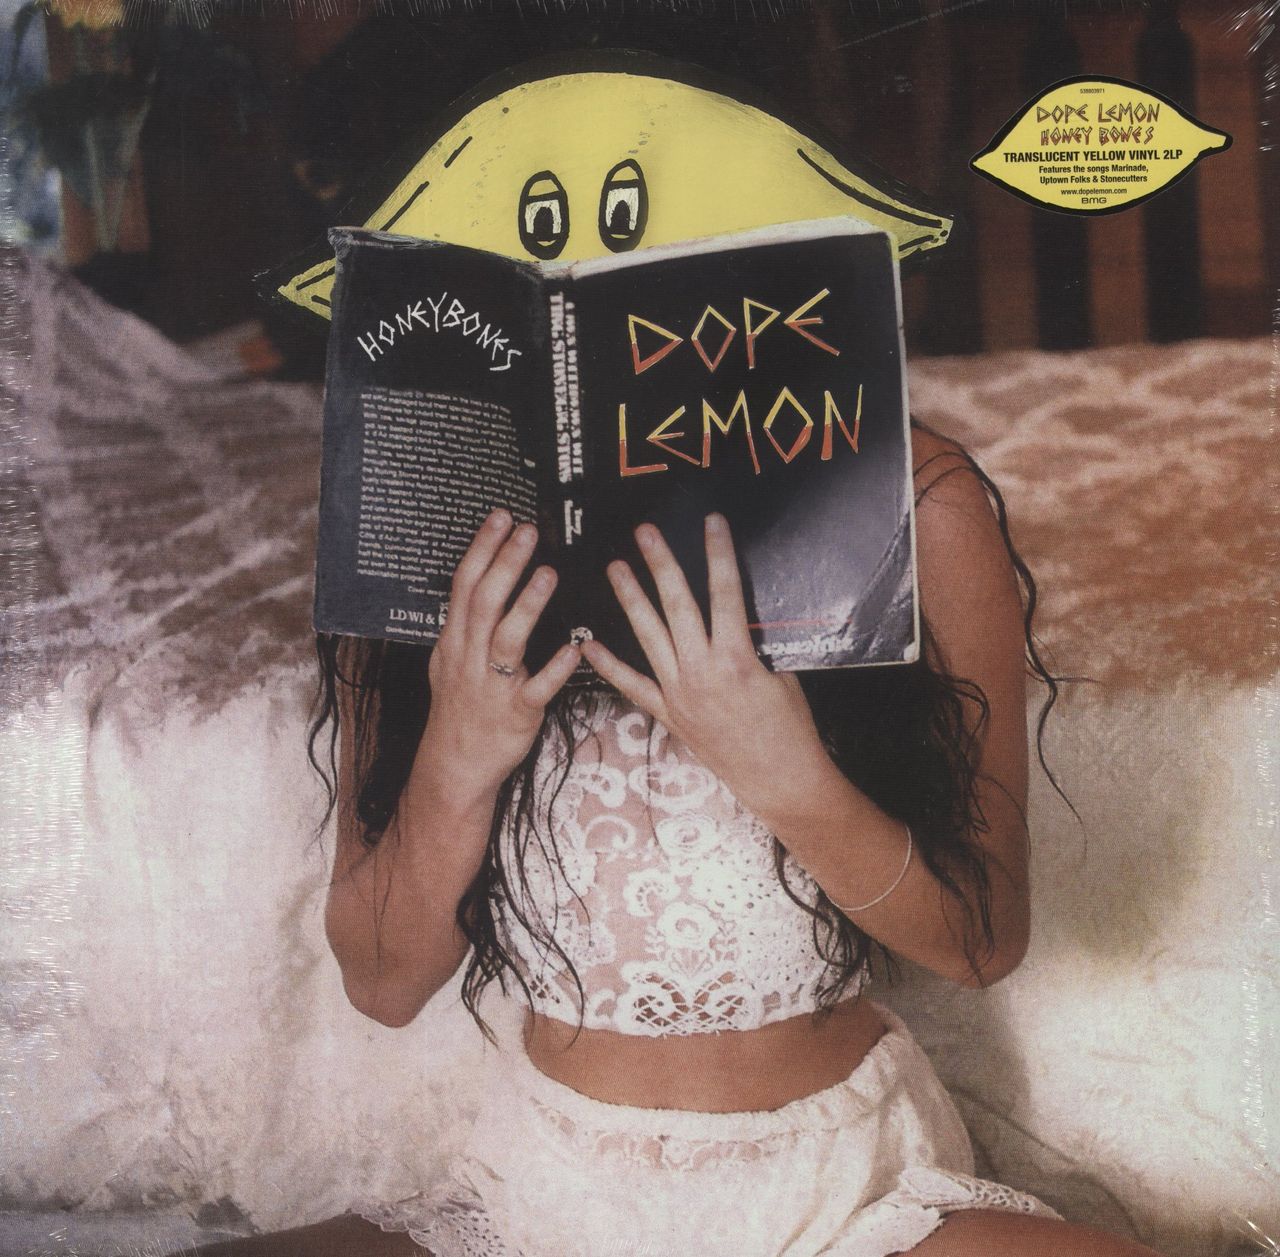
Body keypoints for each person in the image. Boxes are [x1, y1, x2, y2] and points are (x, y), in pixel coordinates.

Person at [184, 422, 1165, 1257]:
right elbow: (382, 982)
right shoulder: (419, 506)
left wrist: (787, 775)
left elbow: (981, 940)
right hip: (544, 1207)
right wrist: (454, 761)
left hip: (855, 1210)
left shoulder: (915, 489)